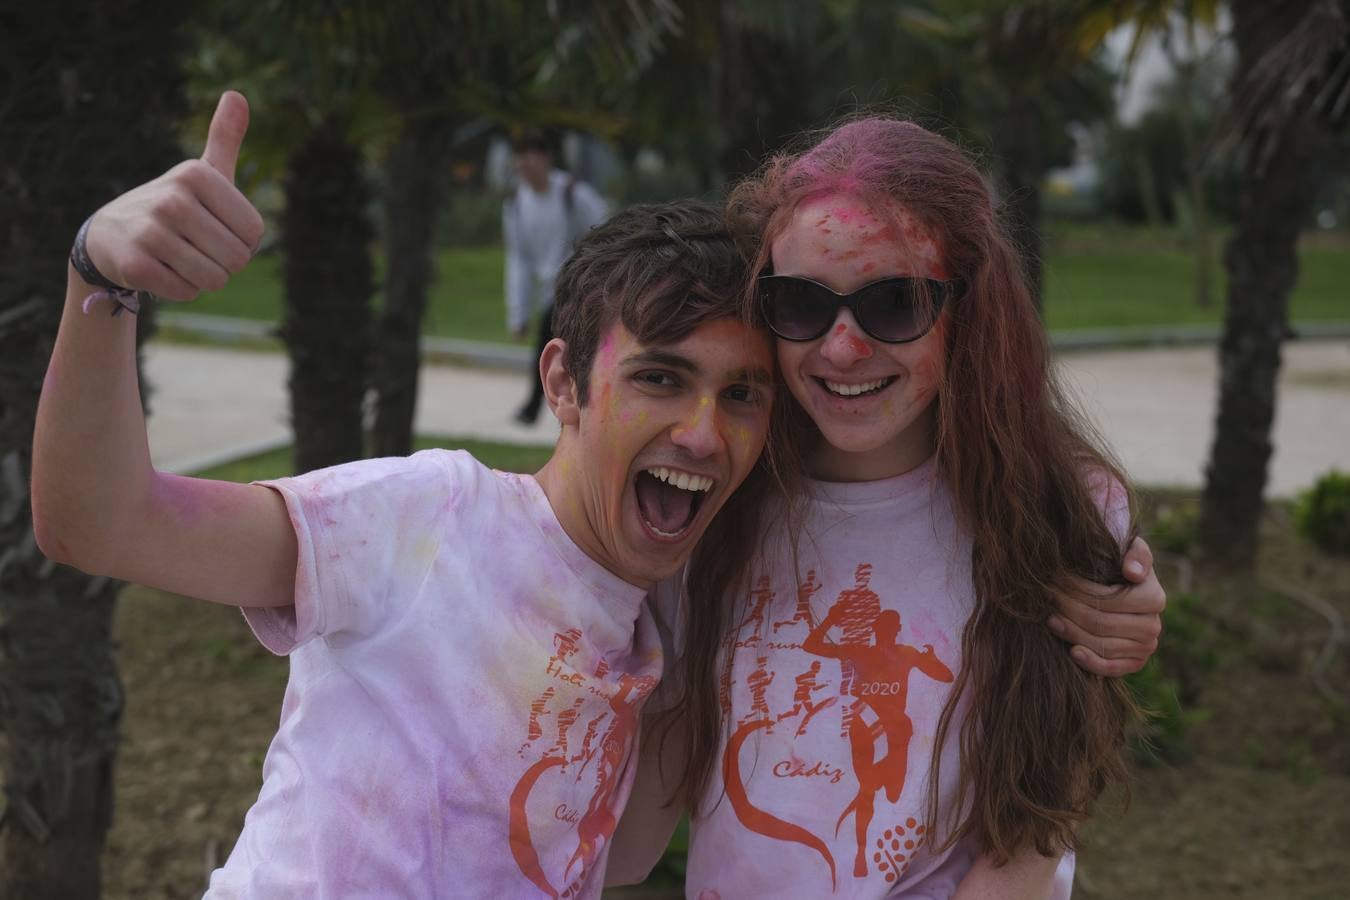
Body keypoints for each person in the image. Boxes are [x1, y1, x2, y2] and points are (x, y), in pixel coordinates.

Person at [31, 92, 784, 899]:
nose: (704, 434)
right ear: (564, 382)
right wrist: (101, 276)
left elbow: (620, 859)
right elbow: (101, 525)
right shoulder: (433, 515)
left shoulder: (659, 622)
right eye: (660, 378)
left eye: (742, 394)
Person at [607, 118, 1166, 898]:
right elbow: (626, 847)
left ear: (969, 310)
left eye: (894, 304)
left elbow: (1032, 834)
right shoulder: (720, 502)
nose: (841, 349)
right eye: (799, 304)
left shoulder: (1055, 509)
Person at [504, 127, 610, 425]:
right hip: (551, 290)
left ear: (547, 158)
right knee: (556, 349)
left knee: (552, 346)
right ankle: (551, 405)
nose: (524, 163)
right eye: (519, 156)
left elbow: (605, 233)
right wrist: (517, 312)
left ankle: (536, 406)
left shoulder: (573, 193)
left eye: (531, 155)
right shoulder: (515, 204)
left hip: (580, 287)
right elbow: (519, 259)